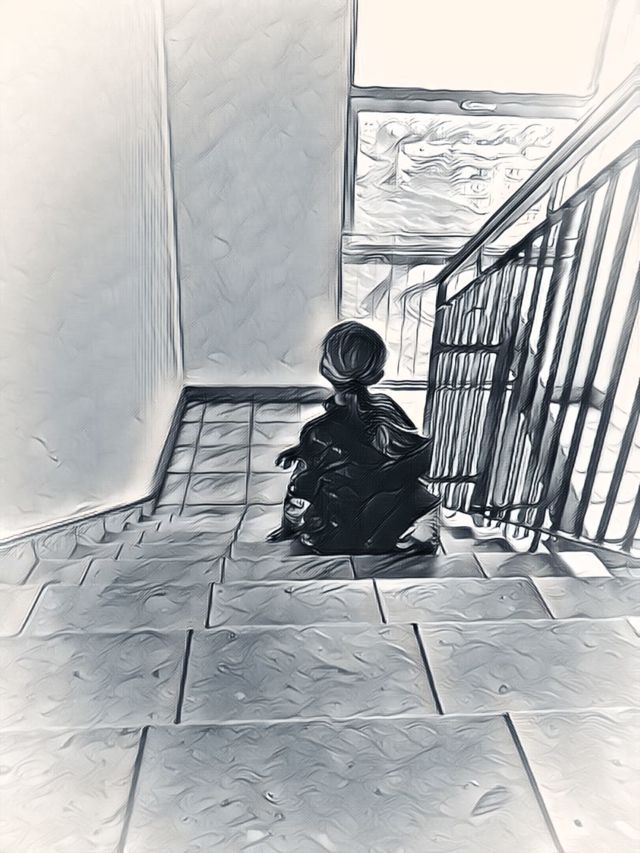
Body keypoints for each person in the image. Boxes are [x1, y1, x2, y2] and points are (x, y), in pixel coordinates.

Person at [268, 321, 441, 555]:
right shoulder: (387, 409)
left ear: (325, 369)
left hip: (339, 537)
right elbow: (411, 456)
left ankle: (296, 526)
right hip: (387, 527)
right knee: (405, 484)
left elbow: (302, 487)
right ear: (377, 375)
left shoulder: (316, 432)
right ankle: (419, 529)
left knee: (303, 483)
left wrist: (287, 528)